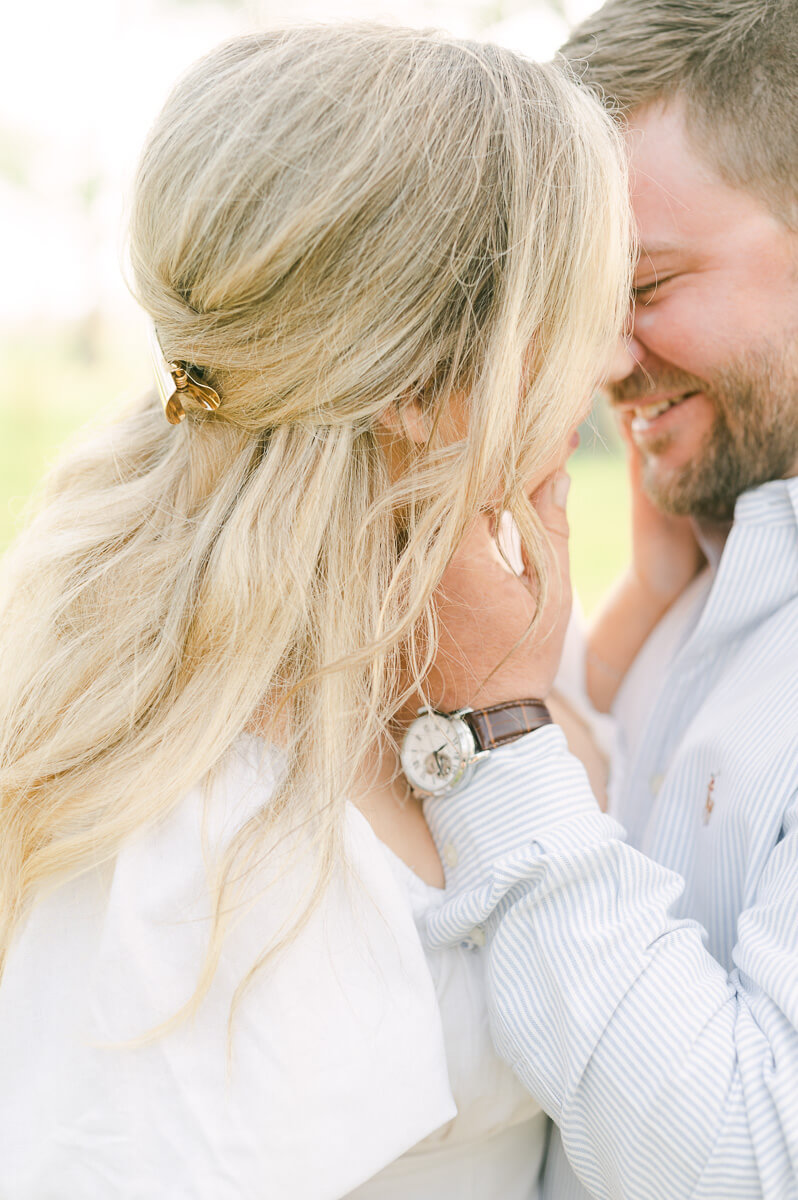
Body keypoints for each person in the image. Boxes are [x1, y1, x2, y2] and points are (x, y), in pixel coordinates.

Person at [0, 25, 633, 1200]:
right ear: (428, 388)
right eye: (587, 306)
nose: (612, 364)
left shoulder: (467, 633)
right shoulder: (192, 845)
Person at [417, 2, 798, 1197]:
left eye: (647, 284)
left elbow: (745, 1162)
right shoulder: (717, 551)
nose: (604, 359)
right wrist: (643, 615)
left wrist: (493, 733)